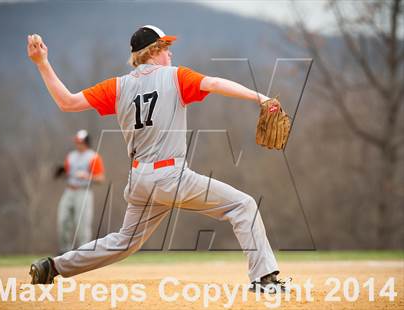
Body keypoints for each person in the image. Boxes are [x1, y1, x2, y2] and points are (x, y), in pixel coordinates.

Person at [27, 25, 288, 293]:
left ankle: (54, 267)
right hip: (171, 177)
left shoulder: (118, 86)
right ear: (154, 51)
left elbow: (67, 102)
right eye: (166, 48)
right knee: (242, 206)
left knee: (124, 241)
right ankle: (264, 279)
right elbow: (213, 83)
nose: (170, 54)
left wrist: (42, 63)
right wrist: (261, 97)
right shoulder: (175, 77)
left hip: (140, 179)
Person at [55, 129, 105, 254]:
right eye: (77, 142)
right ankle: (64, 251)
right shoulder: (71, 156)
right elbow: (67, 172)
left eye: (80, 142)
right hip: (69, 191)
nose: (78, 144)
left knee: (82, 223)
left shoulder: (93, 157)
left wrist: (87, 176)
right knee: (63, 220)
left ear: (86, 142)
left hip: (84, 192)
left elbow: (101, 178)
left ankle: (84, 252)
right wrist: (61, 171)